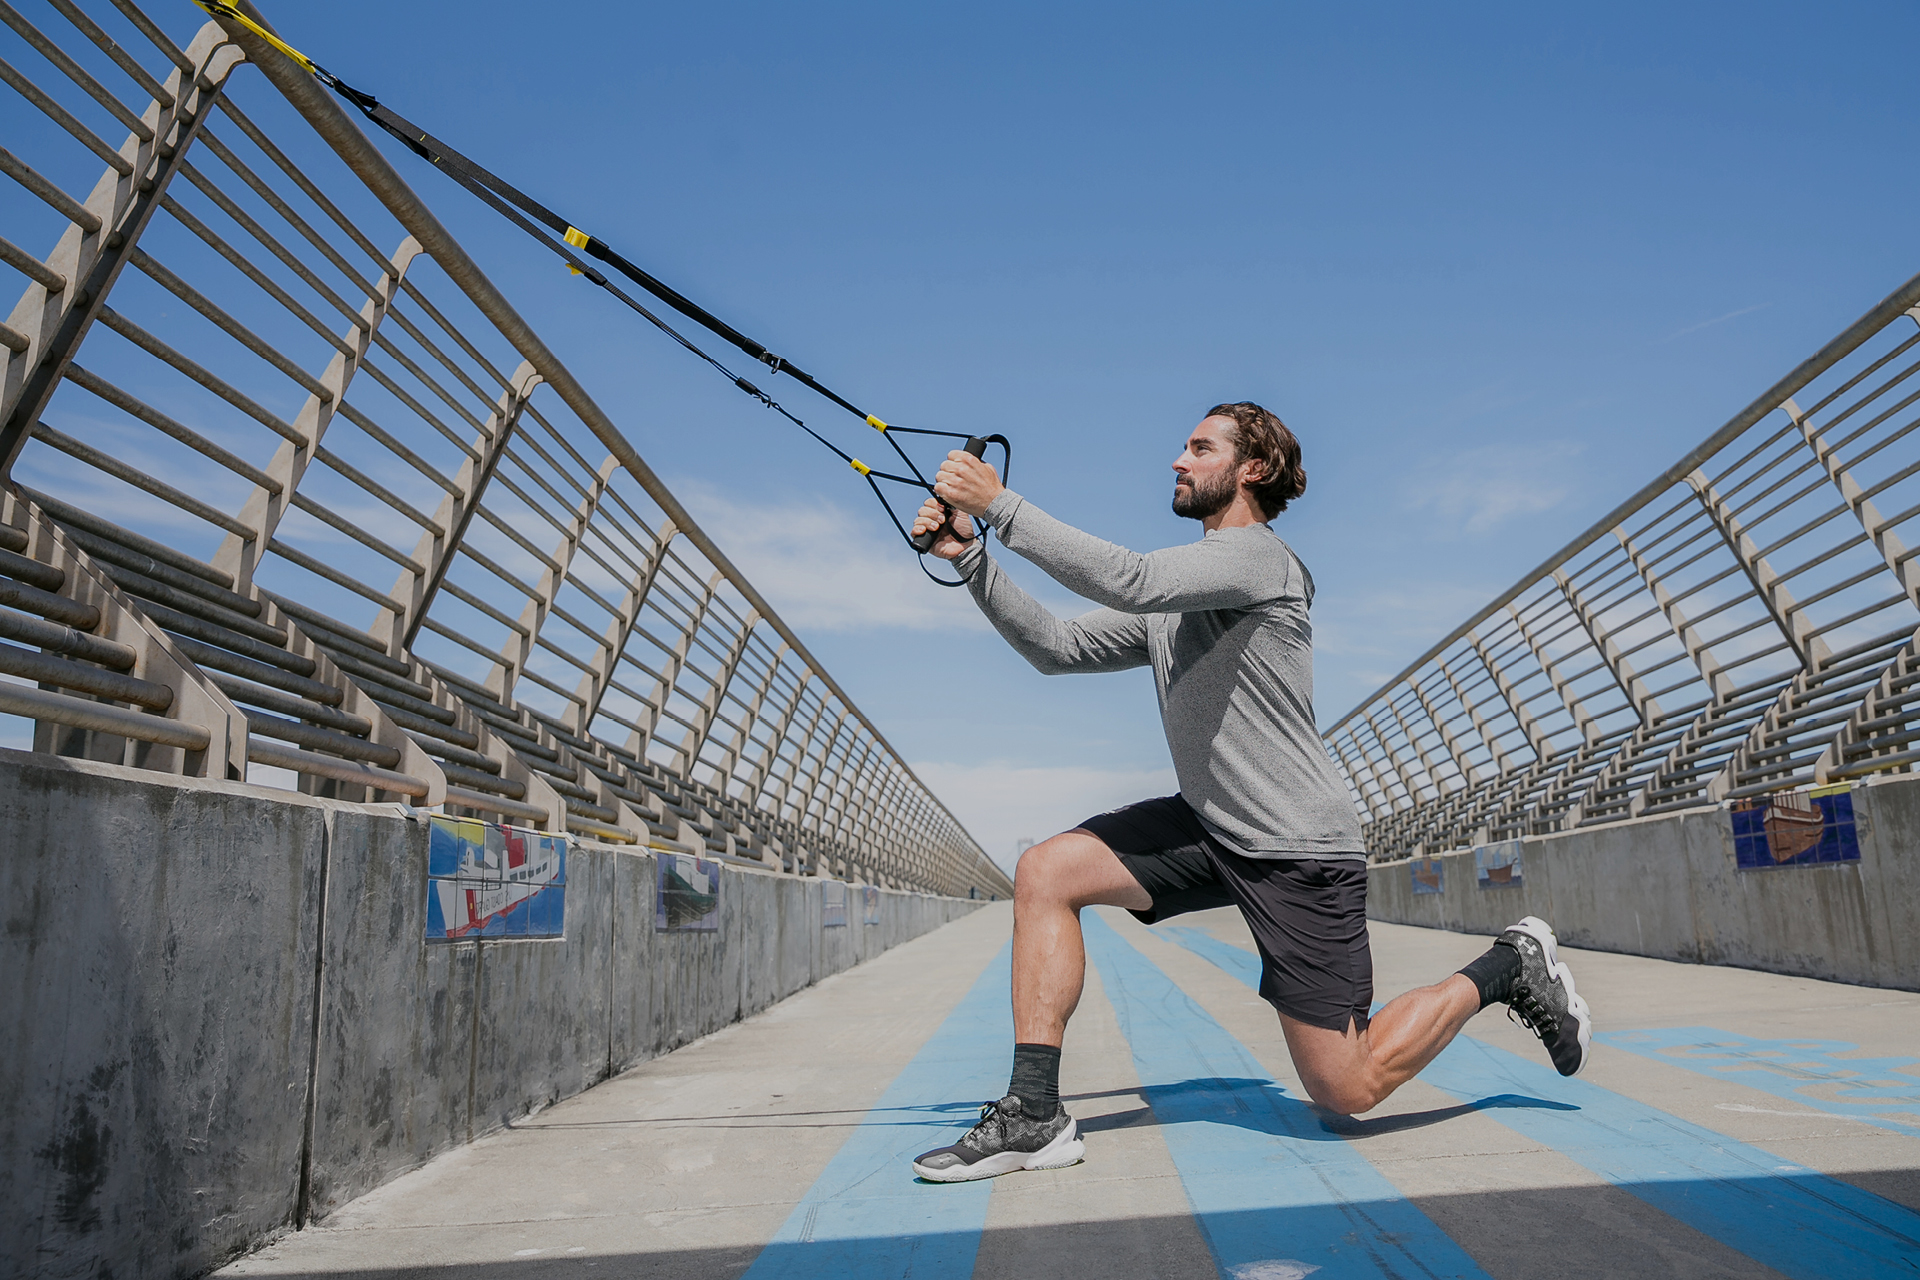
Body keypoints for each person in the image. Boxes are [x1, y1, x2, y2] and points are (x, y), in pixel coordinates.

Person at [906, 402, 1592, 1183]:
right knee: (1047, 871)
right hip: (1208, 825)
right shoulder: (1176, 604)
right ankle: (1033, 1113)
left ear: (1252, 469)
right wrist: (971, 557)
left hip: (1295, 844)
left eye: (1201, 448)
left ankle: (1508, 966)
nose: (1178, 459)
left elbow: (1133, 578)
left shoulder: (1262, 561)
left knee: (1348, 1087)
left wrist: (999, 505)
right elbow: (1056, 647)